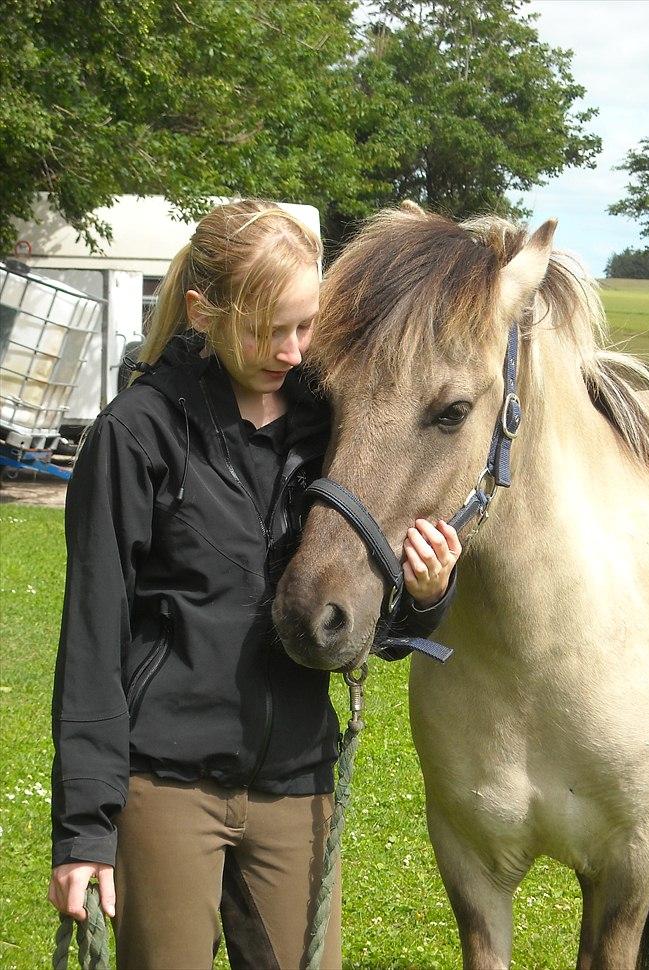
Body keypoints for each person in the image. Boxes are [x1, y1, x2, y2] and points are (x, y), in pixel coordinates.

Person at [47, 200, 461, 970]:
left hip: (299, 782)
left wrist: (427, 593)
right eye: (269, 330)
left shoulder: (328, 426)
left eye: (306, 326)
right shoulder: (137, 435)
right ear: (203, 313)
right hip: (167, 786)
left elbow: (370, 620)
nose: (293, 351)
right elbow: (92, 640)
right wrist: (83, 832)